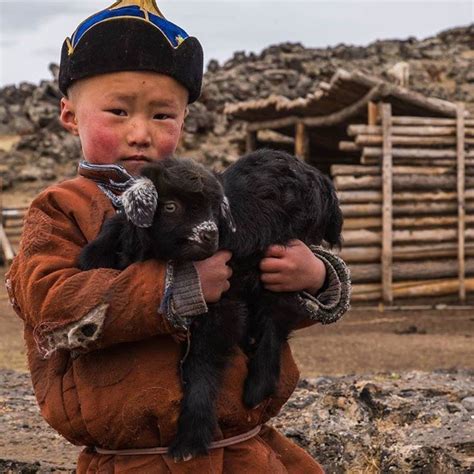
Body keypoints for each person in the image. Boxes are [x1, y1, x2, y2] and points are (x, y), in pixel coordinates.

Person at [5, 1, 351, 472]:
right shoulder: (62, 208)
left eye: (163, 115)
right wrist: (175, 287)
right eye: (118, 111)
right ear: (69, 115)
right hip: (137, 461)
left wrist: (311, 278)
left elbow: (253, 299)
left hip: (249, 448)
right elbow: (51, 306)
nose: (140, 133)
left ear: (185, 120)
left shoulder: (207, 197)